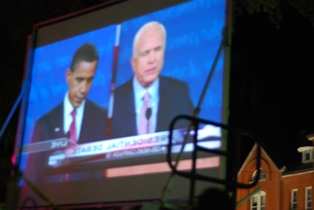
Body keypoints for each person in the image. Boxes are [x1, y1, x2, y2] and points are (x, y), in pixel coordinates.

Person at [28, 43, 107, 183]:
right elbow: (31, 181)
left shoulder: (102, 118)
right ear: (68, 76)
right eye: (79, 80)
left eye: (89, 80)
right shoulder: (43, 125)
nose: (84, 89)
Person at [111, 21, 194, 138]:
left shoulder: (179, 92)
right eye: (145, 53)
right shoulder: (115, 100)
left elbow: (192, 140)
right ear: (134, 63)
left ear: (164, 53)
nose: (152, 59)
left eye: (157, 50)